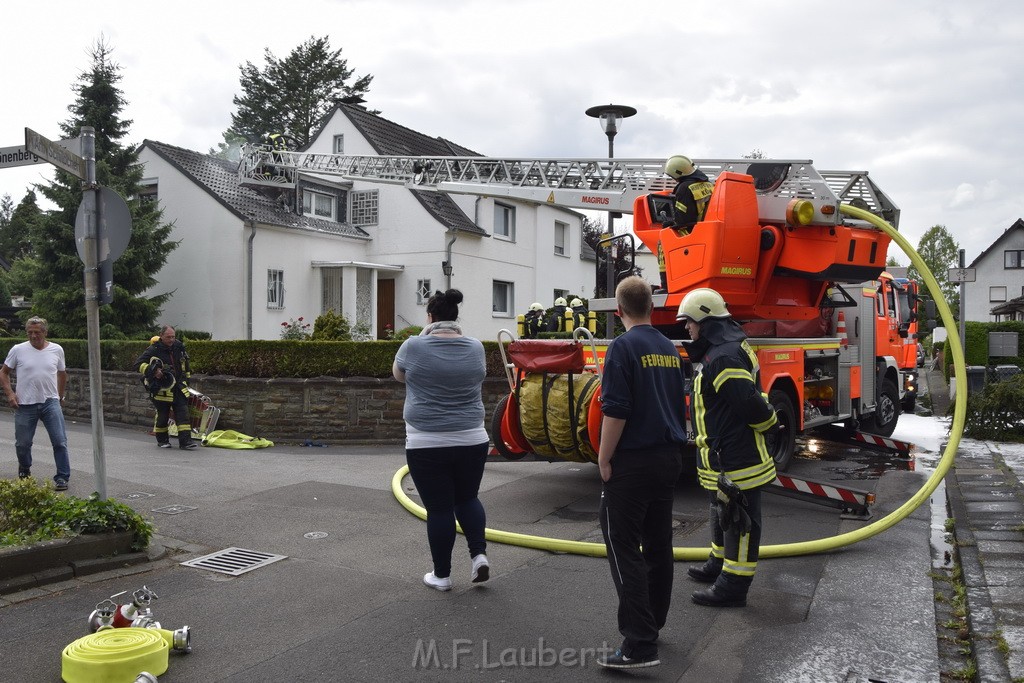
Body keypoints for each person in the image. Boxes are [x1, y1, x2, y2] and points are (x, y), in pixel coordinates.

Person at [595, 276, 688, 669]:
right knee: (657, 543)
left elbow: (615, 410)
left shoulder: (622, 347)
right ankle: (653, 621)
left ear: (619, 311)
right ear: (651, 307)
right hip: (668, 458)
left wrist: (603, 458)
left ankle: (638, 643)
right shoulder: (668, 348)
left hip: (633, 462)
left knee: (623, 546)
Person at [676, 288, 780, 608]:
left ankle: (733, 585)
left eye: (690, 322)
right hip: (724, 454)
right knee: (722, 512)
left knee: (741, 520)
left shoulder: (722, 356)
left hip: (739, 456)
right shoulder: (719, 349)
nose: (686, 328)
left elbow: (747, 402)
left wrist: (769, 427)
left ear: (706, 320)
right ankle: (719, 564)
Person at [393, 289, 490, 592]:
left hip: (426, 442)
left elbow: (399, 375)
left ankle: (442, 576)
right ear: (456, 317)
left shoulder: (413, 346)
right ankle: (479, 556)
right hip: (472, 438)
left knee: (439, 509)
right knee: (467, 498)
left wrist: (423, 335)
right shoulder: (475, 347)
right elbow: (478, 377)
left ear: (431, 317)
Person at [0, 317, 71, 490]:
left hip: (50, 402)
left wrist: (60, 396)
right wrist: (10, 394)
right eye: (30, 332)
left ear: (45, 332)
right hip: (25, 404)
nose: (33, 336)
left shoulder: (56, 350)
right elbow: (4, 372)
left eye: (37, 332)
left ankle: (62, 477)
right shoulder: (18, 350)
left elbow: (62, 374)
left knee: (59, 441)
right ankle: (25, 468)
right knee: (22, 444)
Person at [135, 326, 199, 450]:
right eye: (168, 337)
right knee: (163, 415)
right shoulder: (153, 349)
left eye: (173, 337)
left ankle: (185, 442)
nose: (171, 340)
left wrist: (187, 381)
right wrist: (154, 371)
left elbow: (185, 365)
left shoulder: (179, 347)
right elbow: (138, 364)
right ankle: (162, 440)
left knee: (183, 414)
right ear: (161, 336)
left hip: (179, 387)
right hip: (162, 390)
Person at [657, 155, 715, 292]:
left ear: (678, 173)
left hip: (693, 231)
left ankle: (666, 285)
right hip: (707, 230)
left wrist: (668, 224)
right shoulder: (708, 184)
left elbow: (682, 220)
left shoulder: (684, 188)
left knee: (663, 241)